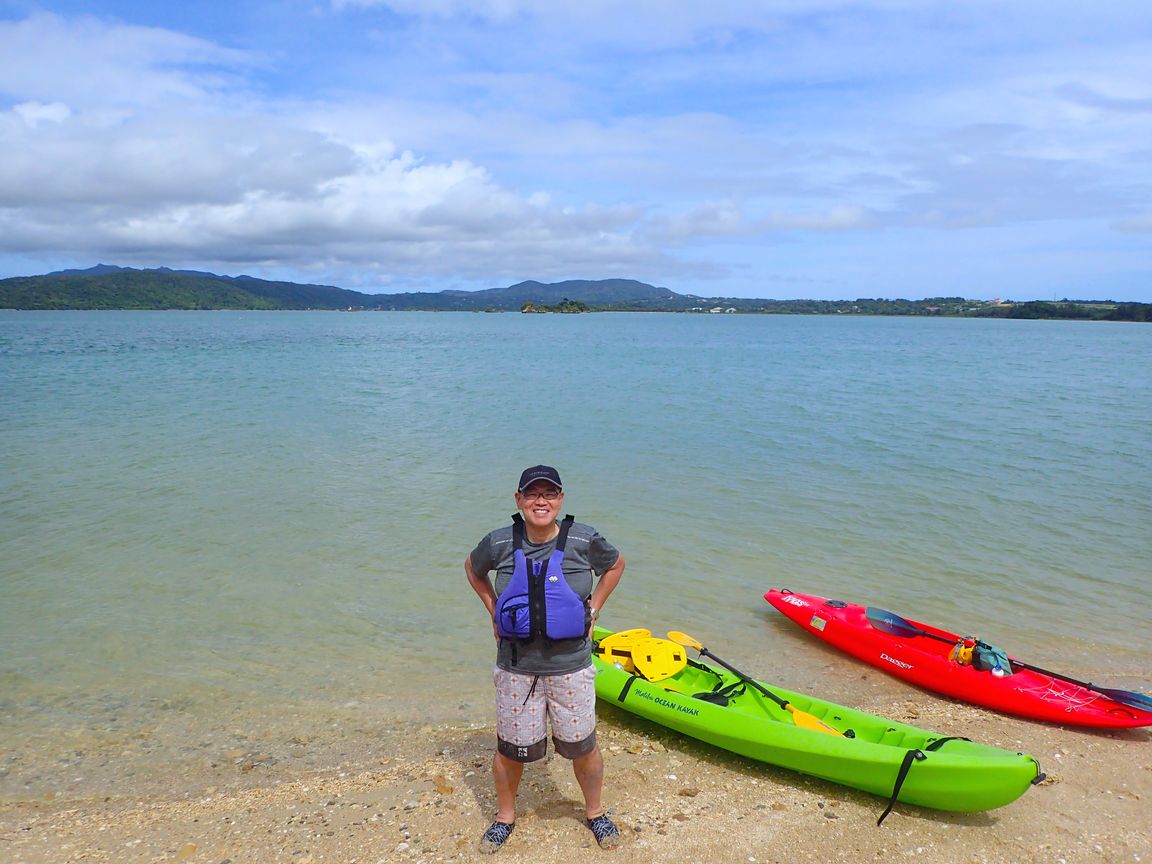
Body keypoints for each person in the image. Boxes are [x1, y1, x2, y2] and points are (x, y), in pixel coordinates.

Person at [465, 465, 625, 853]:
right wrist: (493, 611)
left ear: (561, 499)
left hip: (571, 667)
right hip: (516, 668)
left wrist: (595, 610)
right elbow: (473, 570)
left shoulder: (584, 539)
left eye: (549, 493)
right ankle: (505, 817)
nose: (541, 501)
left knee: (582, 747)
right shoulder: (500, 541)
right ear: (518, 500)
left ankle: (595, 813)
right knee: (510, 749)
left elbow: (615, 565)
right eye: (532, 494)